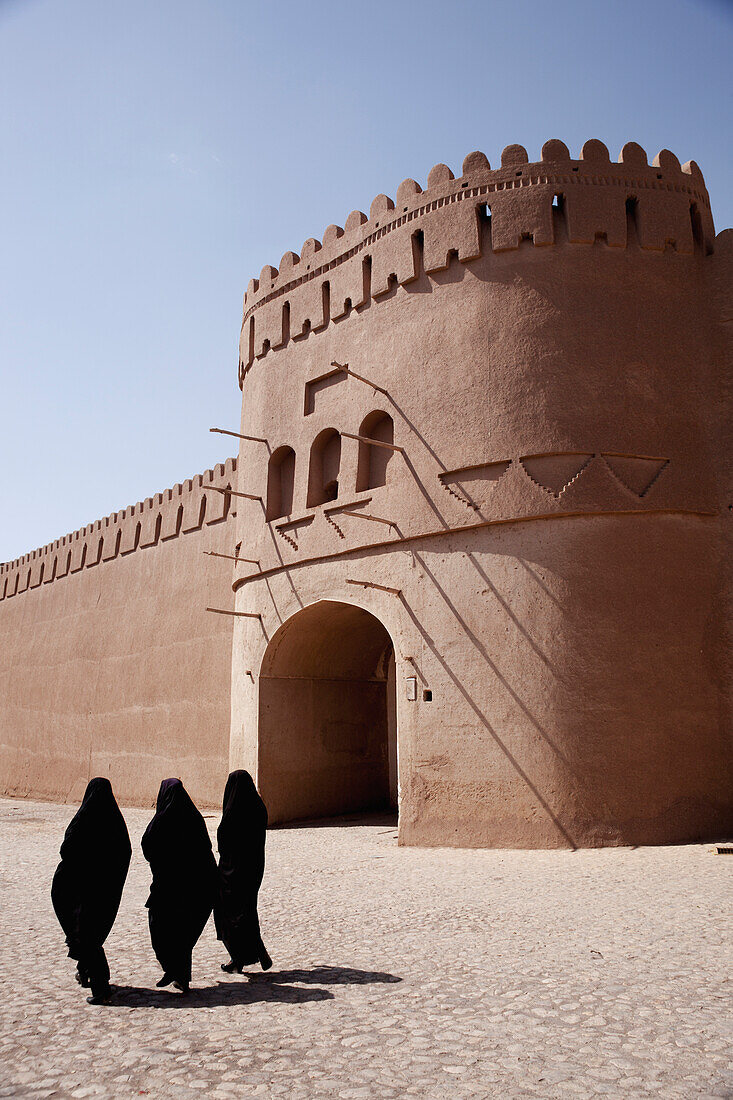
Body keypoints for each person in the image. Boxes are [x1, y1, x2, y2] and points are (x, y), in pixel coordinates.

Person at [51, 777, 131, 1005]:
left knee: (85, 935)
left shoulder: (83, 819)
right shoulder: (115, 822)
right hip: (103, 892)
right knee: (87, 933)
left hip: (79, 891)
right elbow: (125, 851)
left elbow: (67, 848)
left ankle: (101, 988)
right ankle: (85, 972)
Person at [141, 777, 217, 993]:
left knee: (162, 929)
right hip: (195, 888)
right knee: (183, 933)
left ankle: (175, 971)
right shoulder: (194, 818)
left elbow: (148, 847)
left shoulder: (161, 820)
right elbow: (207, 849)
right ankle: (178, 974)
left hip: (168, 888)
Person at [214, 769, 272, 973]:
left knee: (230, 914)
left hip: (232, 872)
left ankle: (243, 955)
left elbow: (224, 840)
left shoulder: (233, 812)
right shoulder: (257, 807)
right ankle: (248, 955)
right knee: (247, 911)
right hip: (253, 869)